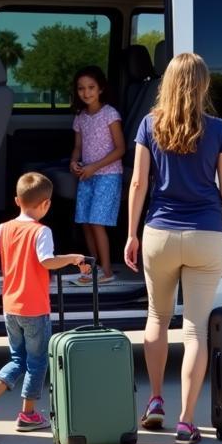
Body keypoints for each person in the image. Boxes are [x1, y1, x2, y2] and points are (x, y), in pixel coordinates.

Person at [124, 52, 222, 444]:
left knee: (157, 318)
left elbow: (138, 184)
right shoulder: (217, 129)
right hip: (206, 235)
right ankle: (186, 420)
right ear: (203, 85)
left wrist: (131, 234)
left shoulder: (149, 125)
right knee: (195, 329)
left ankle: (156, 400)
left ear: (168, 84)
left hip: (159, 234)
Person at [0, 172, 90, 439]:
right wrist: (71, 258)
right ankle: (28, 414)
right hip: (34, 309)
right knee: (36, 362)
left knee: (17, 360)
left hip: (10, 308)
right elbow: (46, 261)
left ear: (17, 200)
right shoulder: (42, 231)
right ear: (46, 204)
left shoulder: (4, 228)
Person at [68, 65, 125, 285]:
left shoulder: (110, 114)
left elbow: (120, 149)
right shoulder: (80, 116)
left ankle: (107, 271)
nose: (86, 92)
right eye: (81, 88)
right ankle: (94, 268)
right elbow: (78, 146)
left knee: (96, 222)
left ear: (100, 89)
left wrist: (95, 166)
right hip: (87, 175)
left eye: (91, 87)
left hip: (108, 175)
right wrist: (74, 162)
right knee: (85, 222)